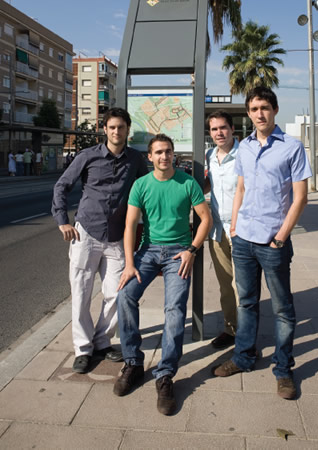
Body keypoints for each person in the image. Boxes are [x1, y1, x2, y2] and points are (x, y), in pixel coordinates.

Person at [213, 86, 312, 401]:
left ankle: (283, 369)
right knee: (247, 303)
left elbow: (301, 198)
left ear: (275, 110)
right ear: (249, 112)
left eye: (265, 107)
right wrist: (234, 227)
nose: (259, 113)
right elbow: (240, 188)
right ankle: (243, 357)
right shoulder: (244, 147)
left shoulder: (292, 147)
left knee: (283, 309)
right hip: (243, 239)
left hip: (273, 242)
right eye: (254, 108)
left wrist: (281, 237)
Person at [114, 133, 212, 415]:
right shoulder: (140, 185)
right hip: (148, 251)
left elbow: (205, 219)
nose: (164, 156)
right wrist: (130, 263)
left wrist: (192, 250)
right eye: (158, 152)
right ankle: (133, 363)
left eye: (168, 151)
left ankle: (166, 374)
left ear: (173, 155)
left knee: (174, 309)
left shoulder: (187, 182)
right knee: (125, 295)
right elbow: (130, 225)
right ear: (150, 156)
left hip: (179, 252)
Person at [52, 107, 148, 374]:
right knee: (81, 294)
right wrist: (62, 221)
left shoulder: (136, 160)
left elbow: (148, 191)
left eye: (122, 127)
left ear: (128, 130)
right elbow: (62, 185)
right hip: (86, 234)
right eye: (112, 127)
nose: (117, 131)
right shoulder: (88, 156)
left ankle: (102, 341)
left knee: (117, 294)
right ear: (105, 130)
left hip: (117, 238)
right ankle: (83, 349)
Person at [205, 110, 239, 349]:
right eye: (214, 129)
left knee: (244, 286)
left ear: (232, 129)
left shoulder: (246, 154)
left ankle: (247, 334)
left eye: (223, 128)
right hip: (217, 231)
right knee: (225, 285)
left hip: (242, 230)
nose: (219, 132)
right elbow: (208, 185)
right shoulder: (209, 155)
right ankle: (231, 329)